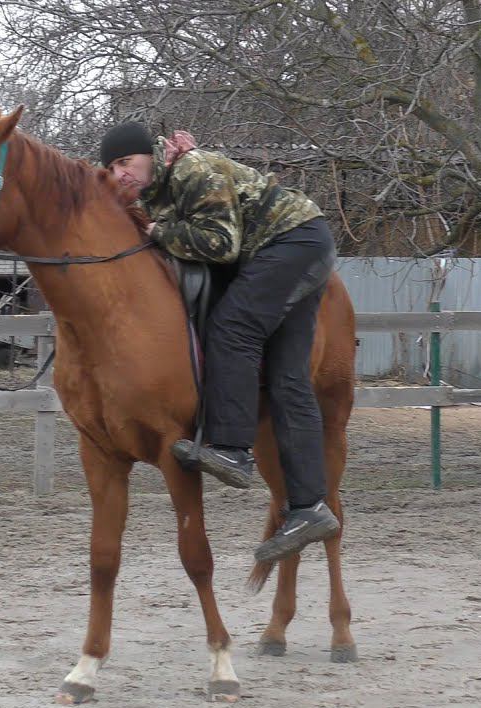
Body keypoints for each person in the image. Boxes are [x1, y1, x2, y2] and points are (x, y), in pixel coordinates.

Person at [99, 121, 340, 563]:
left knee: (232, 327)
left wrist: (158, 232)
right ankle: (310, 508)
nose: (119, 174)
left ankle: (232, 449)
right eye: (111, 168)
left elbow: (220, 244)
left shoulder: (193, 169)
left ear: (149, 154)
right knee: (288, 379)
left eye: (124, 162)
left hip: (290, 241)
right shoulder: (164, 188)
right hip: (304, 242)